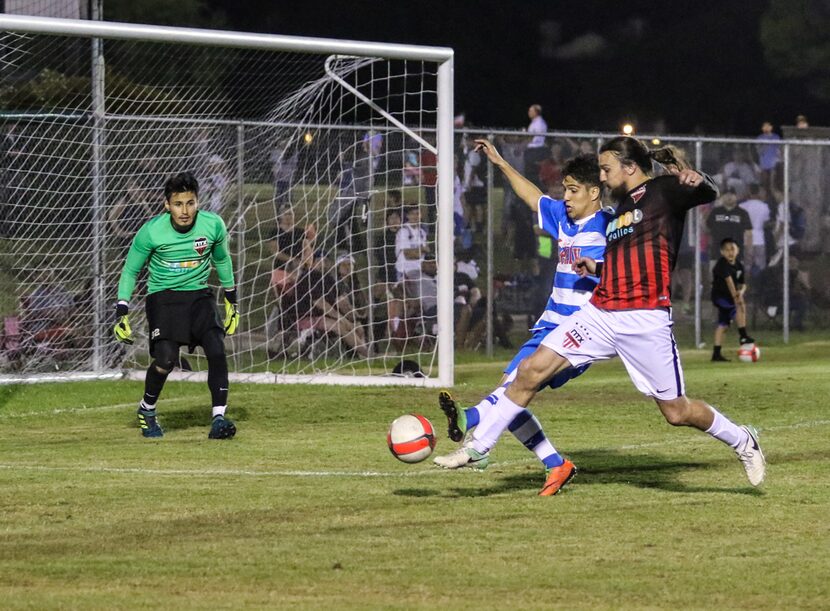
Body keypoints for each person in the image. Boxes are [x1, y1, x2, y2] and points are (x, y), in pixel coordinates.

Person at [435, 137, 766, 493]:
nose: (603, 177)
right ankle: (478, 446)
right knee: (529, 370)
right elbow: (623, 259)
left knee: (676, 412)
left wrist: (695, 178)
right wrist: (595, 265)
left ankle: (741, 439)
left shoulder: (664, 191)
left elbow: (708, 191)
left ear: (629, 167)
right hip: (600, 313)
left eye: (607, 169)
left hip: (645, 318)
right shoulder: (621, 209)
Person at [434, 142, 612, 496]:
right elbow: (533, 196)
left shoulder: (610, 225)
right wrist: (500, 162)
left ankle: (472, 423)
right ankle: (555, 464)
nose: (566, 197)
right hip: (550, 323)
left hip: (583, 329)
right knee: (512, 388)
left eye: (574, 191)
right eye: (564, 190)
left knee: (514, 389)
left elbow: (626, 268)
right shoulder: (564, 216)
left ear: (594, 192)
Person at [113, 171, 240, 440]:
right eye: (178, 204)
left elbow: (223, 261)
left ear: (198, 201)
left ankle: (218, 419)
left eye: (190, 203)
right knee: (166, 359)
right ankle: (147, 409)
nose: (185, 210)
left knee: (217, 350)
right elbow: (129, 271)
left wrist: (231, 301)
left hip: (199, 296)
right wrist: (121, 311)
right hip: (163, 298)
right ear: (167, 205)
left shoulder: (213, 225)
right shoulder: (151, 231)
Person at [710, 238, 755, 362]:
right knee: (740, 306)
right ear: (722, 252)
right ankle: (743, 336)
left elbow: (743, 284)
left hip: (731, 297)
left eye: (732, 249)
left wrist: (741, 292)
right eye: (727, 250)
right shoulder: (721, 265)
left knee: (723, 325)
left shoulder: (739, 265)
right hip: (720, 297)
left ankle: (716, 354)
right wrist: (737, 298)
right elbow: (729, 282)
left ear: (738, 250)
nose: (730, 252)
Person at [706, 188, 752, 266]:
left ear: (736, 196)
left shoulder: (742, 213)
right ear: (722, 197)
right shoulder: (715, 212)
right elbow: (707, 228)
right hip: (717, 251)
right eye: (726, 195)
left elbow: (748, 232)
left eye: (732, 194)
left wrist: (749, 249)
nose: (729, 197)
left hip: (736, 252)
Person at [738, 183, 771, 277]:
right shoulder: (764, 206)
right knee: (760, 266)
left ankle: (746, 288)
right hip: (759, 239)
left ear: (749, 192)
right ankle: (759, 287)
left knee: (746, 267)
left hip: (745, 239)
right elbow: (766, 222)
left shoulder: (741, 206)